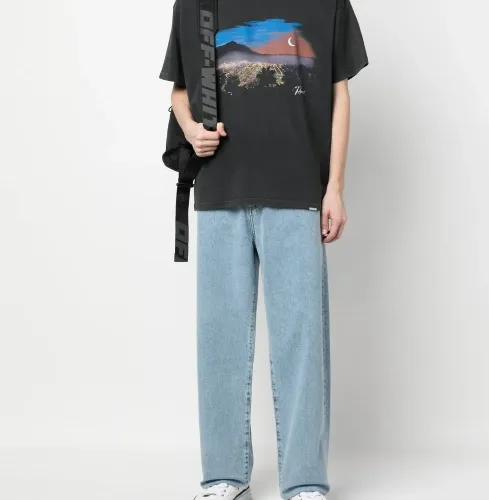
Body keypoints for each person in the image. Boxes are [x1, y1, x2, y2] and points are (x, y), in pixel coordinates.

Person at [159, 0, 368, 499]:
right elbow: (180, 90)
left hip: (297, 189)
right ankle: (224, 476)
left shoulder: (327, 4)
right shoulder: (195, 3)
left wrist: (335, 187)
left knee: (302, 341)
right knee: (220, 341)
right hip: (220, 190)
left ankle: (305, 481)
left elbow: (339, 93)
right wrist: (190, 130)